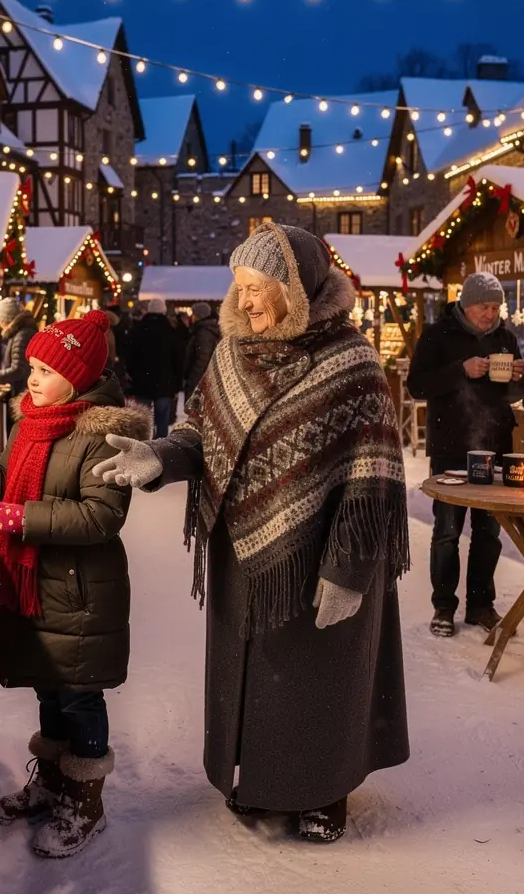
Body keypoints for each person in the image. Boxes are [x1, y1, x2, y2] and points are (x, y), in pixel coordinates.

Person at [94, 223, 410, 843]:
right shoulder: (231, 353)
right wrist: (162, 457)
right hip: (242, 553)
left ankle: (324, 792)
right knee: (257, 674)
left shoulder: (353, 361)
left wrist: (347, 572)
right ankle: (261, 781)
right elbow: (201, 433)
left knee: (318, 676)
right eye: (239, 286)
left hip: (321, 556)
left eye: (261, 285)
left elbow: (370, 481)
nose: (247, 300)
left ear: (299, 286)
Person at [0, 311, 150, 859]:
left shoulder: (102, 435)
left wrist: (23, 519)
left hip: (78, 591)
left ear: (78, 378)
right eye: (33, 366)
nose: (33, 378)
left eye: (47, 369)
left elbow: (100, 516)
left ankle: (85, 799)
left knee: (78, 696)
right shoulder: (30, 422)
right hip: (35, 588)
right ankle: (52, 781)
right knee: (49, 685)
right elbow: (6, 486)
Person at [407, 272, 524, 638]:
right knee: (446, 531)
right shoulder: (437, 335)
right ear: (465, 303)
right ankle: (443, 607)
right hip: (451, 448)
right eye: (483, 307)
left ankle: (480, 605)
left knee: (488, 531)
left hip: (495, 445)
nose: (490, 314)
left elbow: (516, 394)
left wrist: (517, 379)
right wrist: (460, 371)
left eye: (495, 307)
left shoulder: (505, 338)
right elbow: (417, 387)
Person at [126, 297, 183, 438]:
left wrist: (133, 374)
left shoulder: (138, 329)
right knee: (162, 420)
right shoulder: (170, 330)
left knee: (142, 419)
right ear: (163, 311)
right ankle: (160, 448)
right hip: (165, 382)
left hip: (142, 381)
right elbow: (178, 359)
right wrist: (177, 383)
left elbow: (129, 355)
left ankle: (141, 446)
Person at [0, 298, 38, 400]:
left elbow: (18, 370)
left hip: (21, 394)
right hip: (23, 392)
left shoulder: (21, 336)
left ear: (7, 318)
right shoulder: (21, 333)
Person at [183, 301, 221, 402]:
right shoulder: (204, 330)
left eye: (194, 314)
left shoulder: (203, 332)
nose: (192, 317)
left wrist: (192, 381)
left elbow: (202, 359)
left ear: (199, 316)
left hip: (199, 382)